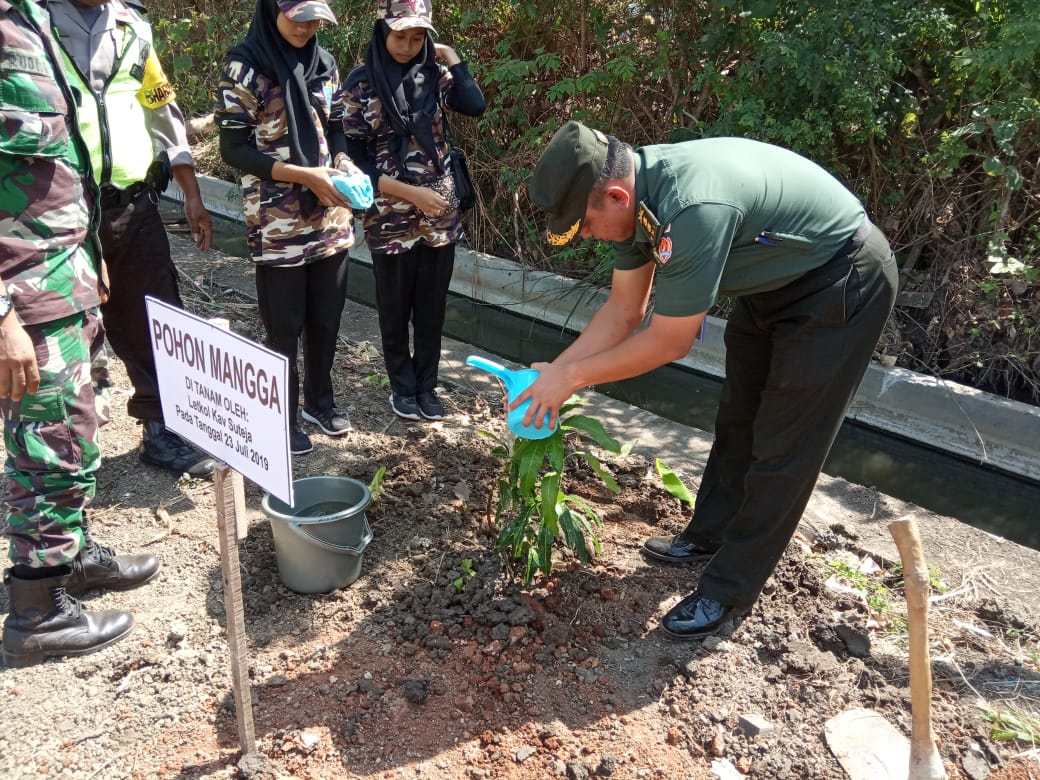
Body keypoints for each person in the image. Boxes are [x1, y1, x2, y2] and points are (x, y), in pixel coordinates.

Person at [525, 120, 898, 640]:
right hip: (772, 283)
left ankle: (729, 589)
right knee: (738, 419)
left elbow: (668, 342)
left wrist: (570, 378)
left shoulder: (691, 209)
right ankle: (709, 535)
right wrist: (553, 374)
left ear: (614, 196)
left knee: (785, 447)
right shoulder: (636, 201)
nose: (586, 236)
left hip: (838, 277)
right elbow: (623, 310)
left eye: (585, 224)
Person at [1, 0, 158, 668]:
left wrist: (88, 252)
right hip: (24, 300)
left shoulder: (35, 21)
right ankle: (37, 611)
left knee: (77, 433)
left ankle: (72, 558)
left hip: (66, 275)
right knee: (49, 450)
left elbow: (62, 159)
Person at [44, 0, 216, 479]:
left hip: (134, 207)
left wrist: (191, 193)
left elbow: (162, 111)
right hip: (61, 212)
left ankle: (162, 428)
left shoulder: (133, 26)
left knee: (155, 319)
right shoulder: (31, 22)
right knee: (70, 332)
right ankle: (68, 451)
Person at [215, 0, 358, 456]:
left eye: (315, 20)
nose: (307, 27)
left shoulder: (324, 63)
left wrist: (342, 161)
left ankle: (319, 402)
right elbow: (233, 148)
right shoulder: (246, 67)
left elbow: (336, 126)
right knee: (285, 325)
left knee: (326, 317)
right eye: (298, 18)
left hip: (329, 210)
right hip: (277, 219)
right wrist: (302, 175)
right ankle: (283, 416)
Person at [343, 0, 485, 422]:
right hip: (388, 211)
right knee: (394, 305)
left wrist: (450, 57)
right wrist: (410, 193)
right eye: (400, 36)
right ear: (382, 31)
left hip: (439, 209)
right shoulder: (361, 83)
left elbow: (474, 104)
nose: (407, 46)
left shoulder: (435, 76)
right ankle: (402, 387)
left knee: (431, 304)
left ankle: (427, 385)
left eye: (417, 37)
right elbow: (353, 157)